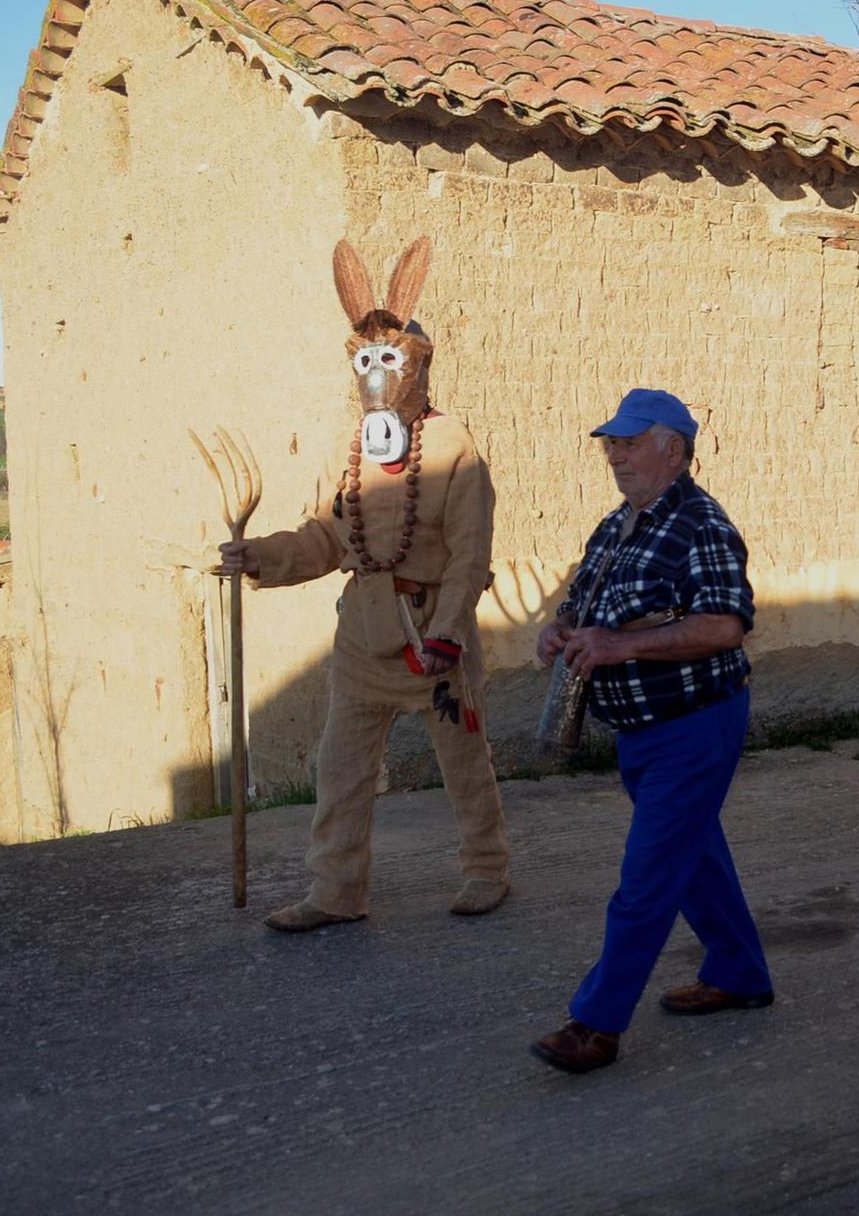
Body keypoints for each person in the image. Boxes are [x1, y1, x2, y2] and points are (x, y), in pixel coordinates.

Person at [218, 237, 510, 931]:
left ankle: (488, 867)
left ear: (416, 369)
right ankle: (337, 890)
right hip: (362, 635)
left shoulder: (453, 446)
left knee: (463, 760)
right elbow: (326, 537)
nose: (376, 376)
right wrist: (257, 555)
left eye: (390, 361)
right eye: (365, 361)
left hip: (429, 634)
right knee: (340, 768)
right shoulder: (346, 449)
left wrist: (445, 634)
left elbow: (470, 554)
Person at [529, 389, 770, 1075]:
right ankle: (741, 971)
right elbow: (585, 607)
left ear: (673, 447)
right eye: (611, 441)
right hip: (642, 733)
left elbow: (726, 624)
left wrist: (622, 647)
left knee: (648, 877)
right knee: (692, 856)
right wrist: (562, 629)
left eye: (630, 441)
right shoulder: (616, 526)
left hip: (695, 727)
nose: (616, 452)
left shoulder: (702, 525)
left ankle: (596, 1024)